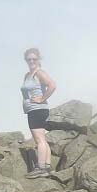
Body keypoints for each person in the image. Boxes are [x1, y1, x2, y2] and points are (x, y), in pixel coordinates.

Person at [21, 47, 56, 178]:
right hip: (33, 110)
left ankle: (40, 168)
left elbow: (52, 85)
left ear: (38, 59)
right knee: (42, 138)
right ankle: (47, 166)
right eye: (29, 59)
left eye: (34, 59)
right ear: (26, 60)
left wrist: (42, 98)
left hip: (38, 109)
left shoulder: (39, 73)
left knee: (39, 139)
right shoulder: (27, 75)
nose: (31, 61)